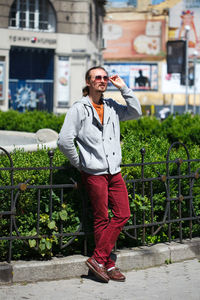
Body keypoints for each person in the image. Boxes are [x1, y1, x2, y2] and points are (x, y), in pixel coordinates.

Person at [57, 66, 142, 283]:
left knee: (123, 213)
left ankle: (98, 259)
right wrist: (80, 164)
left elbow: (135, 112)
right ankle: (109, 264)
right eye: (97, 77)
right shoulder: (79, 108)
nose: (102, 80)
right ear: (88, 82)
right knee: (101, 218)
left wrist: (123, 88)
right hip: (94, 172)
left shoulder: (111, 105)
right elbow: (64, 140)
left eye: (105, 78)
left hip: (114, 171)